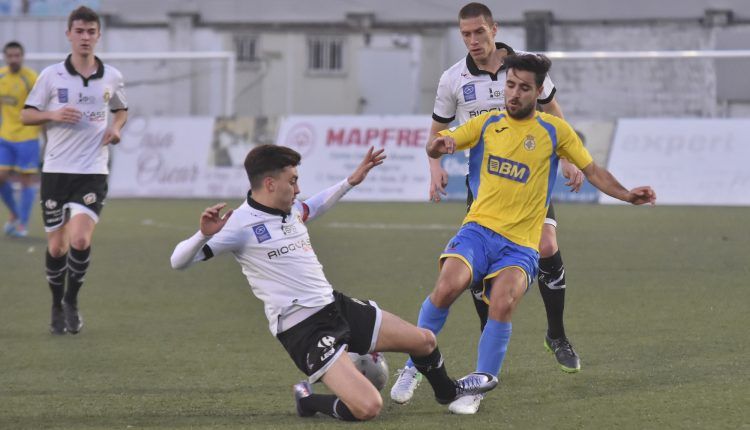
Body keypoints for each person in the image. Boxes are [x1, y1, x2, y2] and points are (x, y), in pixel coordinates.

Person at [399, 53, 656, 415]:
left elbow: (593, 169)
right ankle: (413, 364)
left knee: (503, 302)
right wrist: (436, 148)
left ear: (537, 92)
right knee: (446, 287)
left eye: (523, 88)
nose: (514, 94)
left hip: (520, 244)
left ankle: (477, 386)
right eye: (510, 85)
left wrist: (628, 195)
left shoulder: (554, 131)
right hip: (479, 229)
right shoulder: (488, 123)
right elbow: (443, 141)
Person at [170, 145, 496, 421]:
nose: (298, 189)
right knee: (368, 407)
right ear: (269, 183)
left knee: (424, 341)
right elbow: (178, 261)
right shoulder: (239, 225)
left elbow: (315, 204)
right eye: (292, 181)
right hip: (304, 330)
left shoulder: (291, 210)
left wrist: (350, 182)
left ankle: (448, 393)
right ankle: (308, 400)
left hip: (333, 305)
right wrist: (203, 234)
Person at [391, 1, 584, 407]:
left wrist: (567, 157)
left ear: (494, 29)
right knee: (473, 285)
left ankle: (556, 334)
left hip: (530, 189)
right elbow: (438, 131)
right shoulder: (453, 80)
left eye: (480, 32)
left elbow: (553, 111)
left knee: (546, 246)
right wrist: (434, 169)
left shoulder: (523, 69)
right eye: (465, 35)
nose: (474, 41)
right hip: (484, 195)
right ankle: (429, 368)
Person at [20, 6, 128, 335]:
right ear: (69, 34)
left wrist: (117, 128)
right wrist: (53, 115)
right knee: (57, 247)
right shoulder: (52, 75)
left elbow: (121, 109)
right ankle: (55, 304)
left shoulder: (111, 76)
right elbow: (27, 115)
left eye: (90, 32)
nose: (85, 37)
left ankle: (71, 301)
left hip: (93, 170)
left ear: (98, 35)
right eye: (79, 31)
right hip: (55, 170)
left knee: (79, 239)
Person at [0, 41, 40, 238]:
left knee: (26, 182)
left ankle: (22, 224)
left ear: (22, 57)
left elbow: (41, 107)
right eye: (10, 56)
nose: (14, 59)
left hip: (27, 136)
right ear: (5, 57)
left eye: (17, 55)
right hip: (5, 136)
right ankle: (15, 213)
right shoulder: (1, 76)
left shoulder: (31, 78)